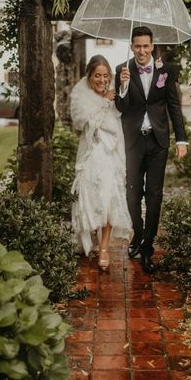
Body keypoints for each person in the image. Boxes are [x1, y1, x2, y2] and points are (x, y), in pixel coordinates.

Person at [115, 26, 188, 274]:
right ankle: (137, 230)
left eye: (146, 46)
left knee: (154, 195)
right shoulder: (121, 71)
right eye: (138, 46)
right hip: (133, 141)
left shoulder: (165, 71)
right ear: (132, 46)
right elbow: (121, 107)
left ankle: (148, 246)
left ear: (152, 46)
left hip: (158, 141)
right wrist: (123, 87)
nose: (142, 51)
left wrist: (181, 139)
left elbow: (173, 105)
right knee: (133, 193)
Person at [70, 55, 132, 270]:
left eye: (106, 76)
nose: (102, 80)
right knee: (91, 199)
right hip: (90, 155)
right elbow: (83, 124)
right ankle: (93, 239)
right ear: (89, 76)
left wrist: (121, 88)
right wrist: (104, 101)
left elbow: (122, 114)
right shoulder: (81, 96)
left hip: (111, 156)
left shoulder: (115, 93)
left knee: (109, 200)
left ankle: (104, 247)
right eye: (97, 75)